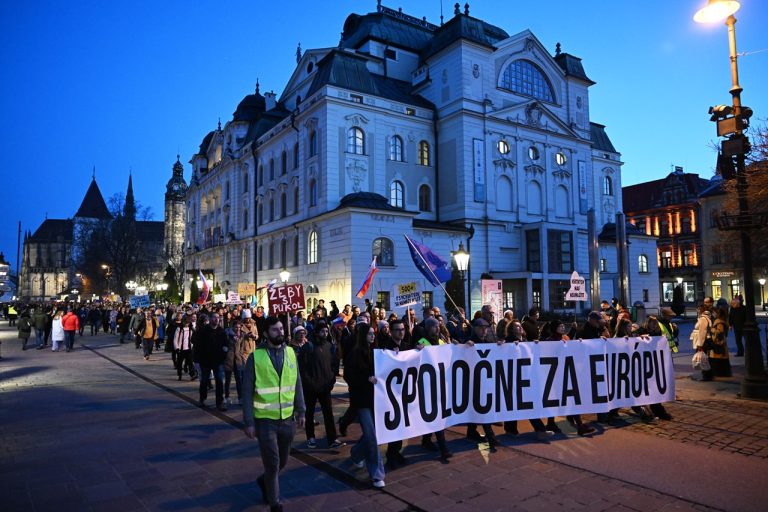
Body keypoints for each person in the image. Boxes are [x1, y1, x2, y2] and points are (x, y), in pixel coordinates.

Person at [242, 316, 306, 512]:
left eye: (281, 328)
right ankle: (274, 503)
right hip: (265, 421)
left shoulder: (290, 353)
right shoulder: (256, 357)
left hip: (287, 419)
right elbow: (246, 391)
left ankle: (264, 481)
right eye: (275, 330)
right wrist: (249, 421)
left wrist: (301, 409)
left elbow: (297, 382)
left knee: (283, 462)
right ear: (266, 334)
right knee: (273, 463)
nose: (281, 332)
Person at [346, 323, 386, 488]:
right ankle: (377, 474)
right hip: (362, 401)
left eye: (373, 333)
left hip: (376, 400)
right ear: (363, 335)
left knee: (373, 434)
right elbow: (349, 376)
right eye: (369, 333)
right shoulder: (354, 354)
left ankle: (356, 454)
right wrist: (366, 379)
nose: (373, 336)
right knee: (371, 436)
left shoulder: (376, 352)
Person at [296, 321, 344, 449]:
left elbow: (334, 365)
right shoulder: (308, 347)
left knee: (328, 413)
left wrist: (332, 380)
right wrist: (309, 383)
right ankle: (310, 438)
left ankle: (332, 438)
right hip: (311, 388)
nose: (325, 333)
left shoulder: (329, 346)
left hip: (325, 387)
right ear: (316, 332)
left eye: (326, 331)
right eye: (322, 331)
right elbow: (302, 368)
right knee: (309, 413)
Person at [544, 319, 596, 435]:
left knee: (572, 398)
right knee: (556, 400)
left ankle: (579, 425)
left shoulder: (566, 339)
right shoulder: (550, 341)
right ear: (554, 328)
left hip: (567, 372)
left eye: (563, 326)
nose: (563, 328)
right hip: (556, 374)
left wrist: (579, 343)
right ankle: (551, 423)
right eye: (560, 326)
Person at [378, 318, 411, 469]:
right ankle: (391, 456)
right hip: (390, 393)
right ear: (391, 332)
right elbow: (381, 368)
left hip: (404, 392)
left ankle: (396, 452)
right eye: (398, 330)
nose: (401, 332)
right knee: (393, 425)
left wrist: (420, 349)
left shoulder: (406, 346)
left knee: (403, 426)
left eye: (403, 329)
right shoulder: (385, 347)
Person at [194, 313, 229, 411]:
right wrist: (196, 360)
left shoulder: (221, 331)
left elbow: (226, 344)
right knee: (204, 381)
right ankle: (202, 399)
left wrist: (224, 353)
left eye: (218, 318)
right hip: (205, 360)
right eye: (214, 317)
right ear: (210, 319)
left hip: (218, 361)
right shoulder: (203, 331)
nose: (216, 319)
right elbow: (197, 346)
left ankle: (220, 402)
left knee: (219, 381)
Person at [691, 304, 714, 381]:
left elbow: (702, 332)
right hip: (704, 340)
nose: (697, 310)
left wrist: (700, 345)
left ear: (702, 310)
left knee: (703, 359)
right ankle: (706, 375)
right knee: (704, 358)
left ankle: (706, 376)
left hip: (703, 341)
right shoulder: (704, 318)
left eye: (698, 309)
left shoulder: (703, 319)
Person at [710, 307, 732, 377]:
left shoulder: (719, 321)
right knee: (722, 356)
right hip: (722, 342)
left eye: (714, 312)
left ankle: (719, 373)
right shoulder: (722, 320)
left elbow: (720, 332)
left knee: (718, 356)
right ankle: (722, 372)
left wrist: (712, 330)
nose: (713, 314)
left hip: (718, 342)